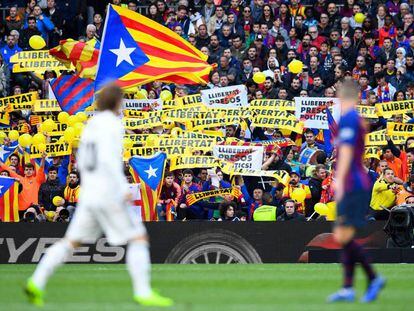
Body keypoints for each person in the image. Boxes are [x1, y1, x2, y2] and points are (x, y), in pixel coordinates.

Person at [25, 84, 173, 307]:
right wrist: (120, 187)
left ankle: (36, 281)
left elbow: (84, 162)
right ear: (116, 103)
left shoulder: (91, 125)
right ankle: (143, 291)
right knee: (138, 238)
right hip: (107, 193)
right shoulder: (112, 124)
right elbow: (107, 160)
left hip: (90, 194)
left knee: (70, 242)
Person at [328, 80, 385, 303]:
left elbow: (348, 151)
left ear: (347, 96)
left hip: (353, 182)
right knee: (343, 235)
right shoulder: (352, 119)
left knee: (343, 235)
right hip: (354, 181)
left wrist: (339, 180)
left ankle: (370, 278)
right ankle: (349, 287)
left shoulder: (350, 118)